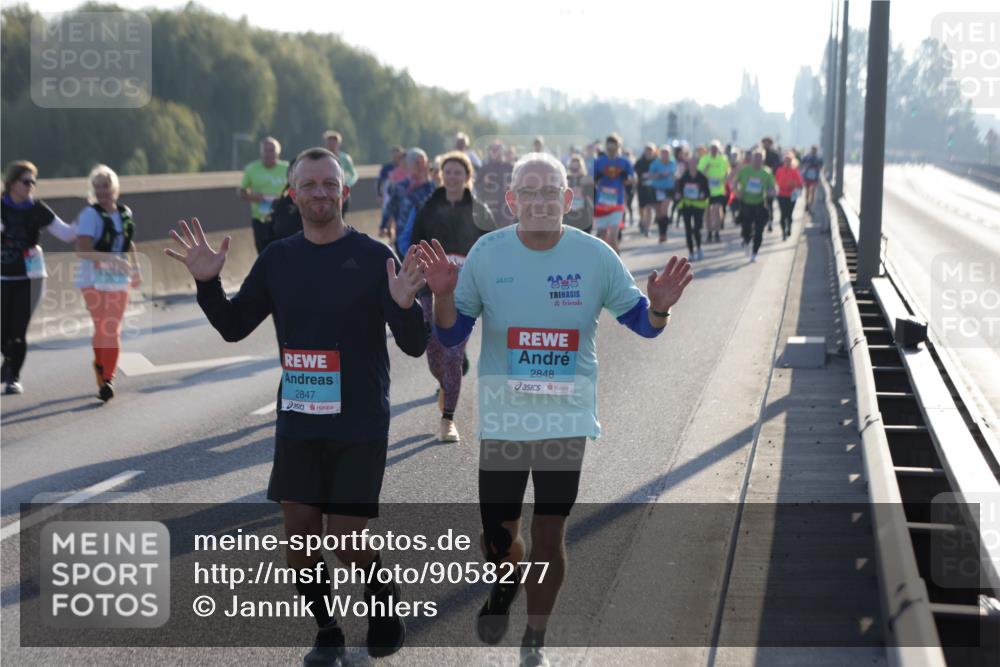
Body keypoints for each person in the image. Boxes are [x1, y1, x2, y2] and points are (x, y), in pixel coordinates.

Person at [419, 152, 693, 667]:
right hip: (505, 417)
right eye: (530, 191)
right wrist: (443, 297)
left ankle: (535, 638)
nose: (540, 200)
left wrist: (659, 306)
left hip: (565, 419)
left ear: (568, 200)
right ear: (512, 200)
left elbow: (643, 323)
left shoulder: (595, 256)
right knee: (498, 539)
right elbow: (452, 336)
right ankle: (506, 581)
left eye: (551, 191)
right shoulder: (487, 253)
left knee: (549, 531)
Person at [165, 147, 426, 665]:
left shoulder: (374, 257)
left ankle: (381, 595)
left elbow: (415, 345)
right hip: (300, 420)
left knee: (347, 540)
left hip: (360, 421)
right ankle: (328, 631)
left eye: (329, 184)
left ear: (344, 192)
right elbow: (234, 326)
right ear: (292, 194)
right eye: (309, 184)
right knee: (301, 541)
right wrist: (207, 283)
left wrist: (404, 308)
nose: (320, 192)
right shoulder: (278, 259)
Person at [409, 151, 495, 443]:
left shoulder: (480, 210)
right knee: (435, 357)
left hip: (466, 291)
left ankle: (448, 419)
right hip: (430, 290)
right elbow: (415, 244)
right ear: (441, 175)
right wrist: (417, 275)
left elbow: (492, 247)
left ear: (467, 176)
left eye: (458, 172)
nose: (453, 177)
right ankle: (445, 383)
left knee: (453, 355)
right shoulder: (428, 208)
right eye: (448, 172)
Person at [1, 161, 77, 394]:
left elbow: (67, 234)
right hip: (3, 277)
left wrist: (88, 217)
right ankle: (9, 361)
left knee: (18, 331)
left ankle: (13, 377)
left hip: (30, 278)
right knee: (2, 332)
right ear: (12, 183)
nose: (30, 186)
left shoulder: (38, 209)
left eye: (33, 182)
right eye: (26, 182)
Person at [74, 165, 142, 402]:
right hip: (92, 279)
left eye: (106, 186)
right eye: (98, 187)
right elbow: (82, 249)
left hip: (119, 279)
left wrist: (136, 268)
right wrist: (111, 259)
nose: (102, 191)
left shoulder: (124, 213)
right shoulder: (89, 215)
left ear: (115, 188)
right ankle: (100, 366)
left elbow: (128, 243)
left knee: (111, 328)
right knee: (102, 327)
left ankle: (107, 379)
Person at [239, 137, 288, 254]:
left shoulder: (287, 168)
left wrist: (283, 199)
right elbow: (242, 192)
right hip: (260, 219)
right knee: (263, 253)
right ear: (261, 152)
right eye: (265, 150)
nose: (268, 153)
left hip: (282, 218)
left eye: (271, 150)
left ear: (278, 152)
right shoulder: (251, 169)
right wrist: (256, 198)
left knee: (282, 252)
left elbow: (295, 189)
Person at [385, 148, 435, 252]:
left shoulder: (433, 188)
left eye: (423, 162)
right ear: (409, 164)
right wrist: (385, 225)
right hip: (403, 237)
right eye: (416, 162)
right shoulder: (400, 187)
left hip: (425, 238)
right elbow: (391, 208)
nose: (420, 166)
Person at [592, 133, 634, 255]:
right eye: (609, 146)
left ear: (618, 146)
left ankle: (618, 263)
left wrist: (626, 178)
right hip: (601, 203)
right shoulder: (599, 161)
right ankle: (605, 261)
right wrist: (596, 177)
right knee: (601, 237)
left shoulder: (624, 162)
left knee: (612, 238)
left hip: (617, 204)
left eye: (613, 146)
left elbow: (633, 179)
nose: (611, 149)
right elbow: (590, 180)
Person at [734, 150, 777, 262]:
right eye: (755, 158)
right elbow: (735, 182)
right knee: (746, 229)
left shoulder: (766, 172)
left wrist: (772, 191)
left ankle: (754, 252)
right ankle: (746, 241)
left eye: (760, 158)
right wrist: (736, 191)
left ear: (763, 160)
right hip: (746, 203)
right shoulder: (745, 170)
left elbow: (772, 187)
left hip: (760, 203)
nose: (757, 160)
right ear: (752, 159)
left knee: (759, 230)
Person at [674, 157, 710, 261]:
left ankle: (699, 247)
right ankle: (691, 252)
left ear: (697, 164)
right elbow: (679, 190)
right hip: (687, 205)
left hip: (698, 206)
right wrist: (678, 195)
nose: (692, 165)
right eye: (691, 163)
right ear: (688, 165)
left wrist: (703, 195)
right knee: (688, 229)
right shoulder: (684, 177)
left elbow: (708, 192)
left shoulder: (702, 177)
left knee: (697, 229)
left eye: (694, 163)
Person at [475, 141, 516, 228]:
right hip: (490, 208)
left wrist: (512, 186)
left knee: (505, 231)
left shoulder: (510, 167)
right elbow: (476, 187)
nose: (495, 152)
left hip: (506, 209)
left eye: (497, 149)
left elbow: (519, 185)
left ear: (502, 151)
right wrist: (484, 183)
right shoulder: (484, 168)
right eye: (493, 150)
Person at [697, 140, 730, 243]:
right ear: (709, 149)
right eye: (712, 148)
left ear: (719, 149)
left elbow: (727, 172)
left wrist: (724, 179)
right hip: (707, 190)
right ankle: (709, 233)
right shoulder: (704, 159)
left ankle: (717, 233)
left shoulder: (723, 159)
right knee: (708, 212)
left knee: (716, 210)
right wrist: (706, 170)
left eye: (716, 148)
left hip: (719, 190)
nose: (714, 150)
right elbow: (699, 173)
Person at [323, 131, 358, 217]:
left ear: (338, 143)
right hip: (325, 192)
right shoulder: (321, 158)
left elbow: (353, 174)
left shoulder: (345, 158)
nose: (331, 145)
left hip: (341, 192)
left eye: (334, 142)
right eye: (329, 142)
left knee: (340, 216)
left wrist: (347, 183)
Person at [647, 145, 677, 243]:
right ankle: (661, 233)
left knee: (664, 211)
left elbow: (672, 173)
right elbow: (650, 175)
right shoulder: (655, 163)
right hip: (656, 189)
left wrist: (663, 175)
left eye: (667, 153)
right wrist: (659, 175)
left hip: (668, 189)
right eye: (663, 153)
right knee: (659, 213)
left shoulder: (672, 163)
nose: (665, 155)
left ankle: (664, 234)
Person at [268, 160, 303, 242]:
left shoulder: (314, 202)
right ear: (288, 175)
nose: (295, 177)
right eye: (293, 172)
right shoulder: (280, 203)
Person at [774, 153, 804, 241]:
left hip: (792, 195)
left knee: (789, 213)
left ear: (792, 162)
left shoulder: (795, 171)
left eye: (789, 161)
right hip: (781, 194)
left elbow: (800, 185)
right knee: (783, 214)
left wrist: (793, 184)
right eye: (786, 161)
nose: (787, 162)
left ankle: (789, 227)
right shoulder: (779, 170)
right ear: (783, 161)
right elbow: (776, 181)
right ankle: (783, 232)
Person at [564, 154, 594, 234]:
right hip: (568, 216)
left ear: (581, 167)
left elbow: (591, 199)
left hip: (584, 216)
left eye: (576, 168)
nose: (575, 171)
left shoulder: (586, 180)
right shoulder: (566, 179)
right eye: (572, 168)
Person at [633, 143, 657, 237]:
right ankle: (642, 220)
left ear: (653, 151)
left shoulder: (656, 162)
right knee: (642, 208)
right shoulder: (639, 162)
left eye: (651, 150)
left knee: (649, 208)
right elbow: (634, 173)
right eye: (647, 150)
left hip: (652, 188)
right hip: (641, 188)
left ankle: (647, 228)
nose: (649, 152)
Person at [760, 136, 781, 231]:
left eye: (768, 143)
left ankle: (770, 221)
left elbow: (777, 167)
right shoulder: (760, 154)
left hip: (770, 182)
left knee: (769, 203)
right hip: (759, 182)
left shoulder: (775, 155)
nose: (766, 144)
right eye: (764, 143)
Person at [799, 145, 823, 213]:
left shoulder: (818, 158)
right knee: (807, 191)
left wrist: (816, 168)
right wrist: (805, 167)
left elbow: (820, 167)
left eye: (814, 150)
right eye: (812, 150)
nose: (813, 151)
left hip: (814, 177)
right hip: (807, 176)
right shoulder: (806, 157)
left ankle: (811, 204)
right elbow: (801, 164)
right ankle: (807, 203)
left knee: (812, 191)